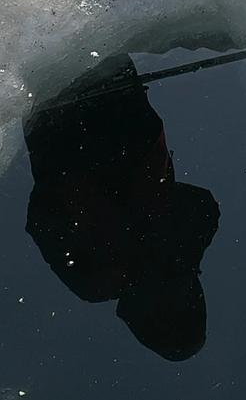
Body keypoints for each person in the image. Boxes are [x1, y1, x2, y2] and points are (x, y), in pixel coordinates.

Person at [24, 55, 219, 360]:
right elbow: (203, 207)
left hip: (65, 127)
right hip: (108, 112)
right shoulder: (184, 246)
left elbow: (41, 216)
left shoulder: (96, 281)